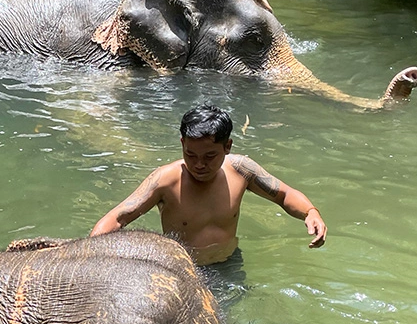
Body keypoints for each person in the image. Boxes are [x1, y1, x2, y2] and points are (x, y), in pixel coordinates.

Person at [90, 104, 325, 266]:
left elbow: (284, 195)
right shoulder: (165, 180)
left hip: (230, 262)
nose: (199, 164)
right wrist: (88, 256)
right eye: (190, 154)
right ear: (182, 143)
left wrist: (310, 212)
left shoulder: (242, 170)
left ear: (227, 146)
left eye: (209, 156)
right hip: (182, 269)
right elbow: (117, 218)